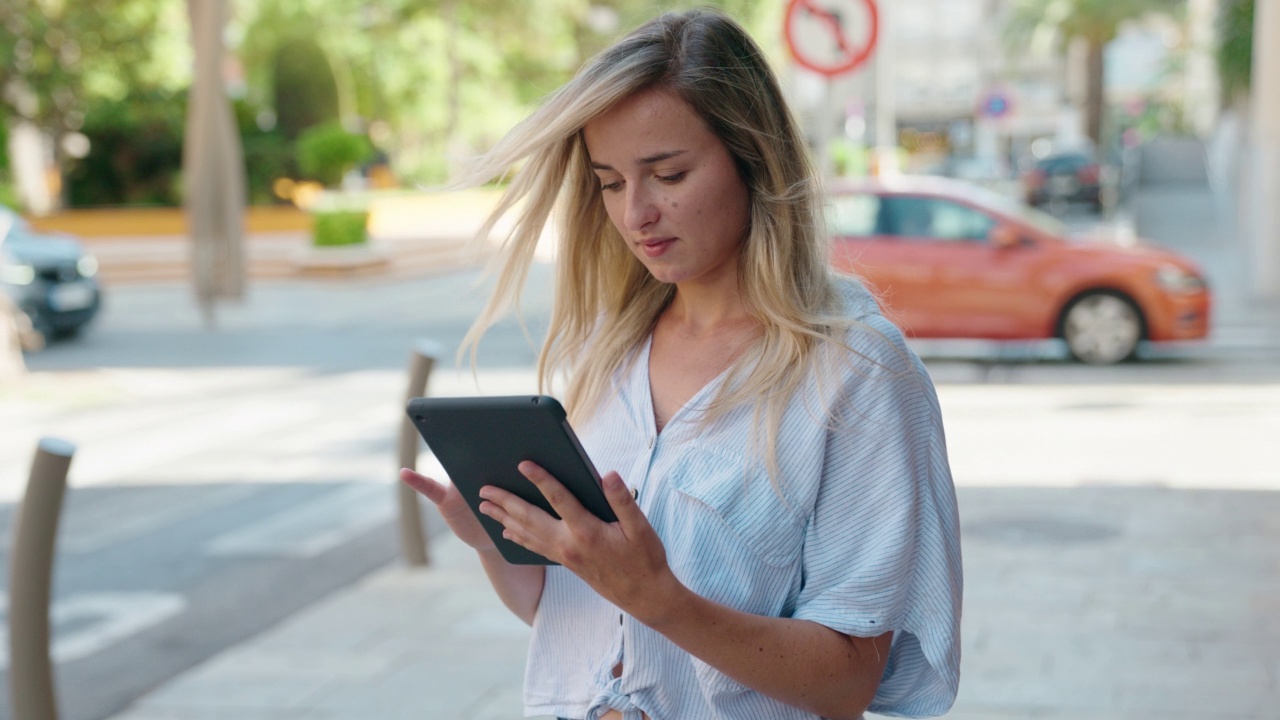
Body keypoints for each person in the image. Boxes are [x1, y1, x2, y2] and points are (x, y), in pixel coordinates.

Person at [400, 9, 961, 720]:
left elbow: (848, 682)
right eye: (608, 182)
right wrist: (496, 544)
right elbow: (575, 627)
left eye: (667, 174)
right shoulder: (612, 349)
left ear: (753, 160)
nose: (636, 213)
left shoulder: (857, 374)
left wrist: (663, 601)